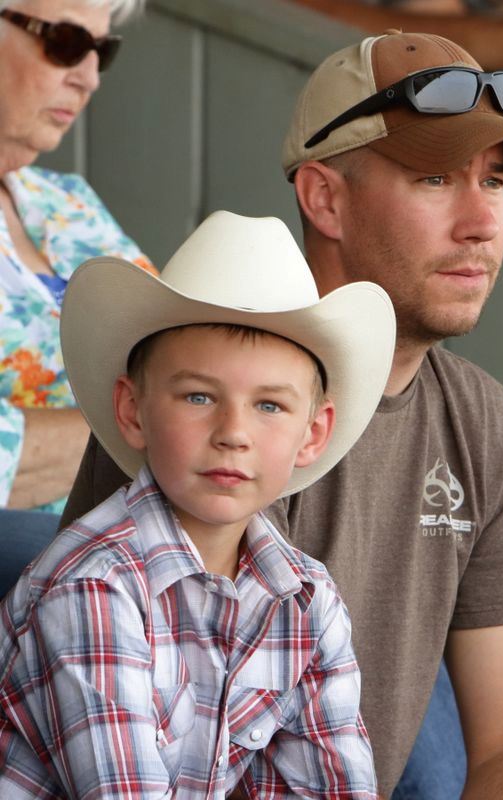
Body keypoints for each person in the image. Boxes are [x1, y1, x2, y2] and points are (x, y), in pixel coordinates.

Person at [62, 30, 503, 798]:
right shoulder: (214, 407)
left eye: (495, 181)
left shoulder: (485, 424)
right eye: (436, 178)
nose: (483, 221)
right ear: (324, 198)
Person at [0, 210, 395, 798]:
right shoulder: (94, 587)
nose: (233, 432)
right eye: (199, 395)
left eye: (269, 406)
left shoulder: (306, 601)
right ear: (133, 410)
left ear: (313, 434)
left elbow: (335, 786)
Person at [0, 0, 150, 589]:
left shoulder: (69, 202)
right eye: (64, 41)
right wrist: (162, 423)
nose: (87, 76)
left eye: (100, 51)